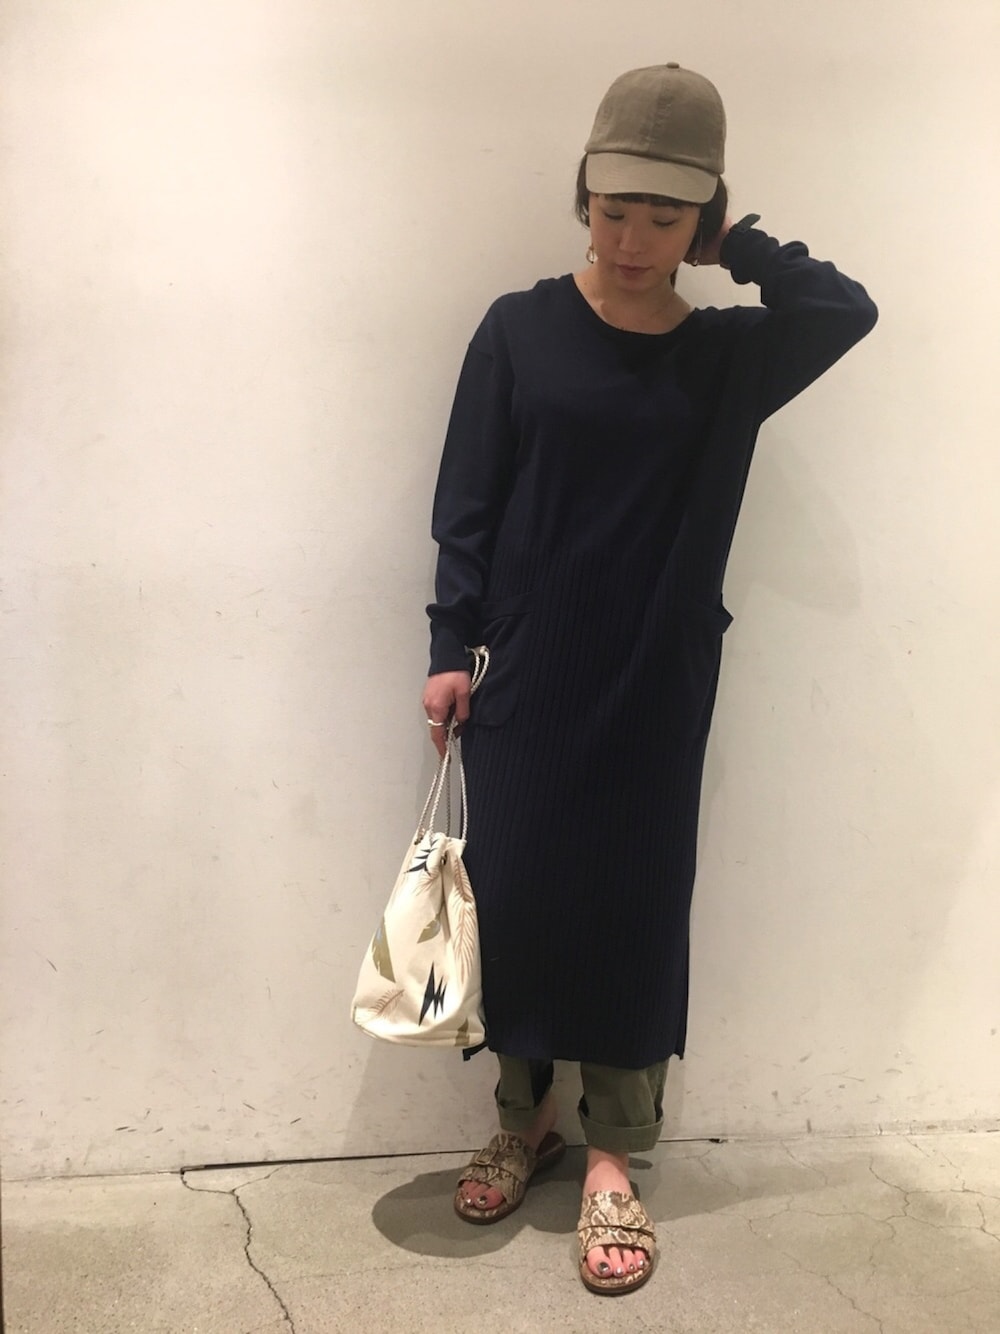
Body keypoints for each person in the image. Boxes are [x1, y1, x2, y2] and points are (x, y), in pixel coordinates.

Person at [421, 63, 877, 1295]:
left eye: (665, 217)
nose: (630, 240)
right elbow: (468, 503)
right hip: (524, 663)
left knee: (630, 900)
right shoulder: (517, 329)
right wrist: (448, 648)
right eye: (613, 208)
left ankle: (614, 1151)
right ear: (582, 197)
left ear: (702, 219)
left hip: (655, 668)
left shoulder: (728, 354)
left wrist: (744, 247)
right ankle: (524, 1119)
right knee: (515, 892)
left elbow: (844, 309)